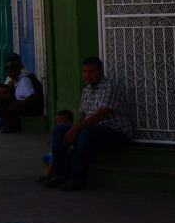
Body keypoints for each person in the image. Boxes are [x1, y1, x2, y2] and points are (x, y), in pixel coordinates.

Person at [44, 57, 131, 191]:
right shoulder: (87, 90)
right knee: (59, 130)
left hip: (116, 132)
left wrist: (77, 129)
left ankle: (78, 179)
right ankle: (61, 174)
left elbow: (101, 114)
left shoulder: (109, 88)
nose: (87, 75)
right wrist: (74, 130)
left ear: (101, 72)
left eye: (91, 72)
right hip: (93, 131)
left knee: (86, 131)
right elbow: (84, 115)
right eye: (85, 72)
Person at [0, 61, 44, 133]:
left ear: (18, 70)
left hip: (31, 107)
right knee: (0, 102)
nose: (10, 74)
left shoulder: (24, 80)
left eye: (12, 71)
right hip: (22, 104)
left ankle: (12, 126)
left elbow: (32, 96)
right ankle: (4, 123)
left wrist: (15, 105)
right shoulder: (16, 80)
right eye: (8, 73)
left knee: (2, 104)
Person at [36, 110, 74, 183]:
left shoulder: (70, 133)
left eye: (59, 121)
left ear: (68, 122)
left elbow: (72, 147)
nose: (57, 123)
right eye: (56, 121)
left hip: (67, 154)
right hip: (60, 153)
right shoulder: (59, 132)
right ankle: (53, 174)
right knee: (47, 157)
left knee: (53, 158)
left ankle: (46, 175)